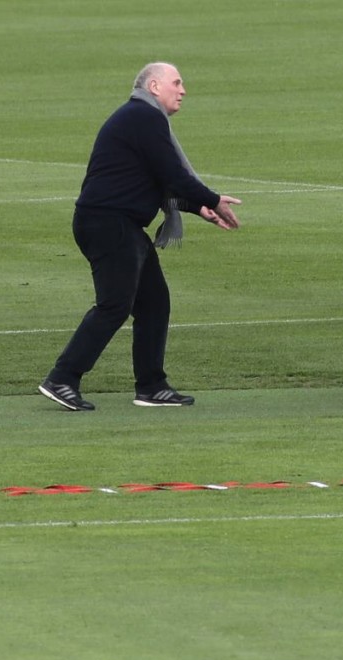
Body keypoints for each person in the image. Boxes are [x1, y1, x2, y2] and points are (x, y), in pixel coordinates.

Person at [39, 62, 241, 411]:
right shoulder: (143, 117)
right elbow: (173, 175)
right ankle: (62, 378)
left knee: (154, 302)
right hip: (109, 223)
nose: (183, 90)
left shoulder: (142, 118)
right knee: (114, 305)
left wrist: (198, 208)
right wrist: (212, 200)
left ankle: (151, 386)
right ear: (154, 86)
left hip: (116, 223)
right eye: (176, 83)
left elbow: (153, 180)